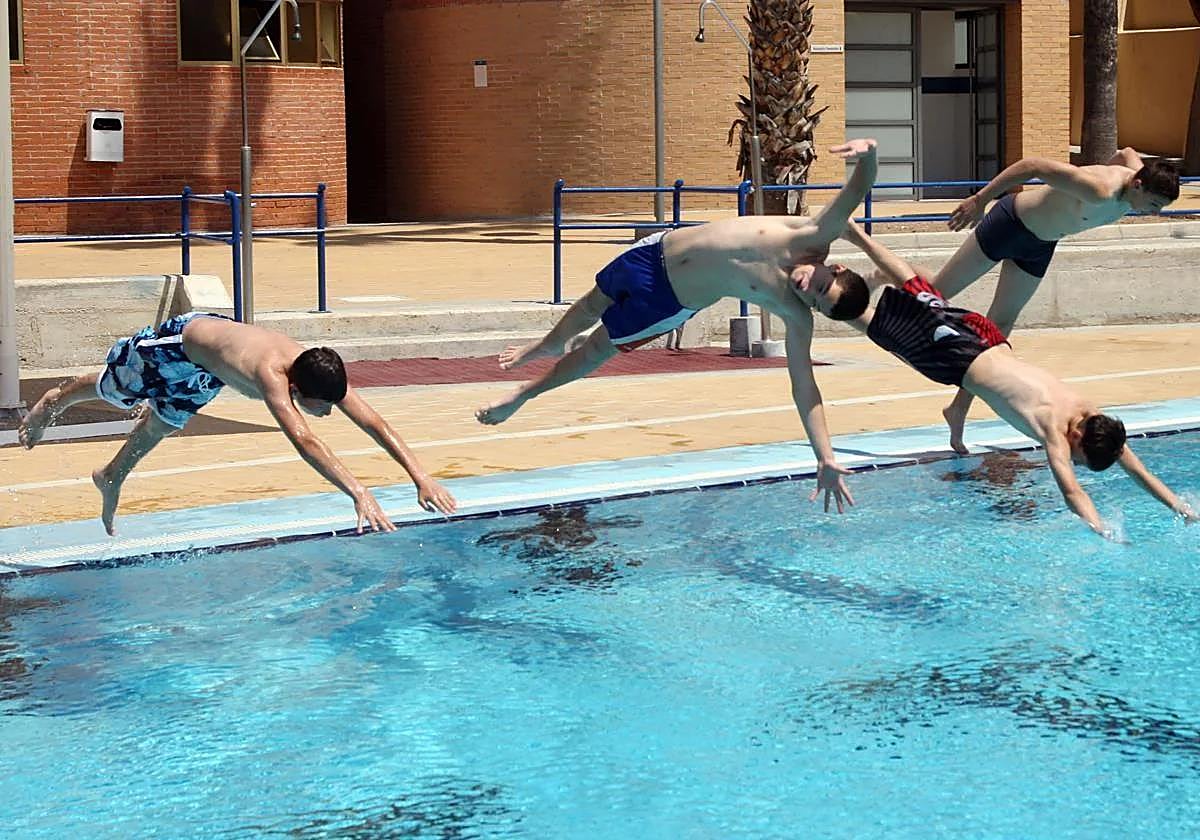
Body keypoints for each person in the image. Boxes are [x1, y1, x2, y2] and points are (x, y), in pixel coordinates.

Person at [475, 138, 883, 512]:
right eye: (821, 284)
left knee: (596, 349)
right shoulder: (814, 233)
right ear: (836, 267)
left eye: (815, 300)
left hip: (669, 300)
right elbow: (856, 189)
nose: (806, 288)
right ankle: (547, 344)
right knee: (589, 303)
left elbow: (805, 388)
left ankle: (524, 394)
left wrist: (825, 456)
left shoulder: (794, 315)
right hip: (655, 252)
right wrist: (869, 153)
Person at [801, 221, 1196, 536]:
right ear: (1076, 440)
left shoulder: (1094, 418)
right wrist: (1103, 531)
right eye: (1078, 458)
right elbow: (1072, 492)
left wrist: (1180, 506)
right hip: (954, 359)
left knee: (916, 287)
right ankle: (822, 293)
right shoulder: (1054, 432)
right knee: (878, 325)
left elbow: (1137, 469)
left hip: (985, 337)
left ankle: (855, 235)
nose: (1074, 461)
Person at [18, 312, 457, 535]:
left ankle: (112, 475)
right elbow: (305, 439)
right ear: (296, 391)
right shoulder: (272, 374)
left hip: (212, 368)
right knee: (118, 390)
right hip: (182, 344)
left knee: (166, 421)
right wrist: (360, 492)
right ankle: (53, 402)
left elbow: (375, 423)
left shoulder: (318, 368)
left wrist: (421, 477)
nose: (327, 412)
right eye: (322, 406)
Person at [934, 148, 1180, 453]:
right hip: (1009, 225)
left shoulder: (1138, 174)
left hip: (1040, 246)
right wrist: (980, 199)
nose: (1153, 212)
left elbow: (1126, 152)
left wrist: (1106, 162)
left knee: (999, 328)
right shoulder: (1098, 188)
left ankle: (958, 410)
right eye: (1154, 204)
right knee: (934, 294)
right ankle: (872, 294)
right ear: (1139, 186)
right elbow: (1032, 165)